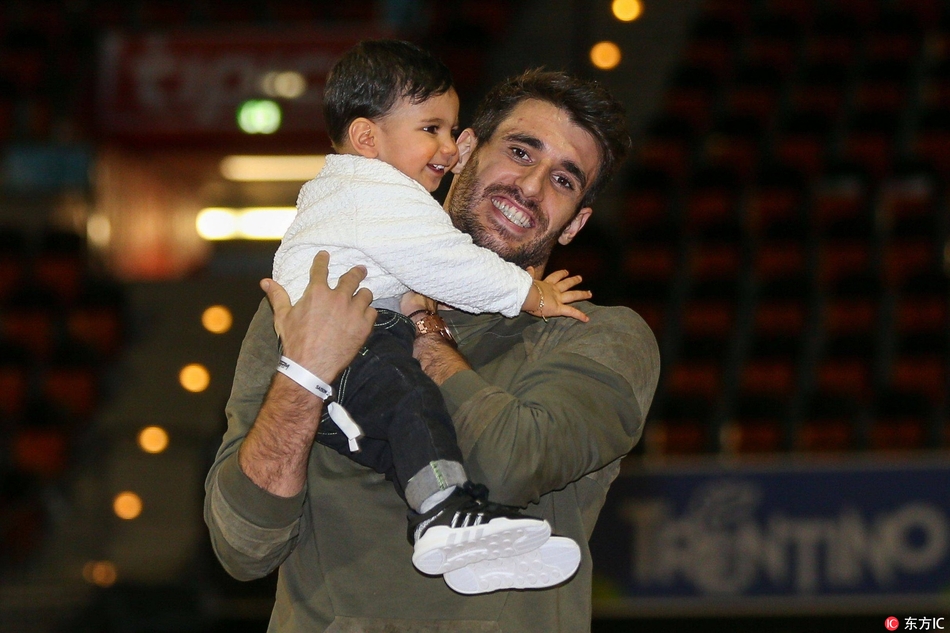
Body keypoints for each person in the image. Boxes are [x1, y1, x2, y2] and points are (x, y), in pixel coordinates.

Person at [204, 67, 660, 631]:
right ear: (462, 150)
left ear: (576, 224)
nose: (531, 186)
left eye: (564, 181)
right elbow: (243, 547)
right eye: (520, 152)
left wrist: (425, 327)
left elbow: (510, 467)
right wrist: (305, 374)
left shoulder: (599, 335)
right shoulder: (314, 305)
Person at [270, 40, 592, 590]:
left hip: (343, 367)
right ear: (367, 138)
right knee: (415, 400)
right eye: (431, 129)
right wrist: (531, 295)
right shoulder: (377, 195)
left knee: (408, 434)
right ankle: (444, 514)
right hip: (348, 351)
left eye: (451, 131)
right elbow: (449, 264)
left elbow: (418, 264)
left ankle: (461, 546)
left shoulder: (352, 191)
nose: (446, 146)